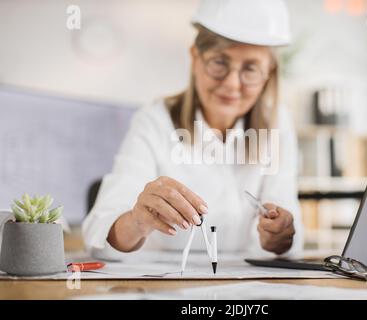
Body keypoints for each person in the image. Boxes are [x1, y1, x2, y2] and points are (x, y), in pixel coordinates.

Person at [82, 0, 304, 260]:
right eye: (219, 63)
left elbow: (289, 234)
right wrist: (137, 222)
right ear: (195, 57)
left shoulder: (279, 123)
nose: (232, 84)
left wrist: (279, 234)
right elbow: (100, 230)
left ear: (269, 72)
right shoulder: (154, 120)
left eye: (250, 69)